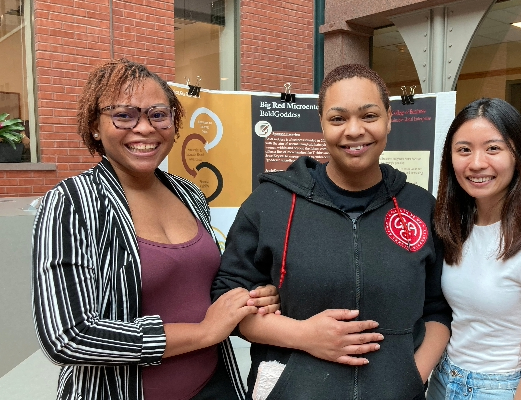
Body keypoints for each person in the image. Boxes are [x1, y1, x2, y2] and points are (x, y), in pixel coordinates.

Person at [32, 59, 279, 400]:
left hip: (213, 385)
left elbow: (198, 289)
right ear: (94, 126)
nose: (145, 128)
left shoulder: (188, 193)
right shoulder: (72, 203)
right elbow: (69, 336)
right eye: (124, 115)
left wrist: (248, 297)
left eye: (158, 114)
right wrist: (204, 332)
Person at [212, 64, 452, 400]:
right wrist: (303, 335)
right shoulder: (272, 202)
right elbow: (226, 300)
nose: (354, 131)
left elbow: (438, 308)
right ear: (322, 123)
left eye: (369, 116)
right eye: (338, 119)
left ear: (389, 119)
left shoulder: (420, 206)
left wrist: (412, 378)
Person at [427, 98, 521, 400]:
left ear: (519, 155)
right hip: (442, 379)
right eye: (464, 149)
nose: (476, 163)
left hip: (496, 389)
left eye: (493, 148)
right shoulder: (454, 225)